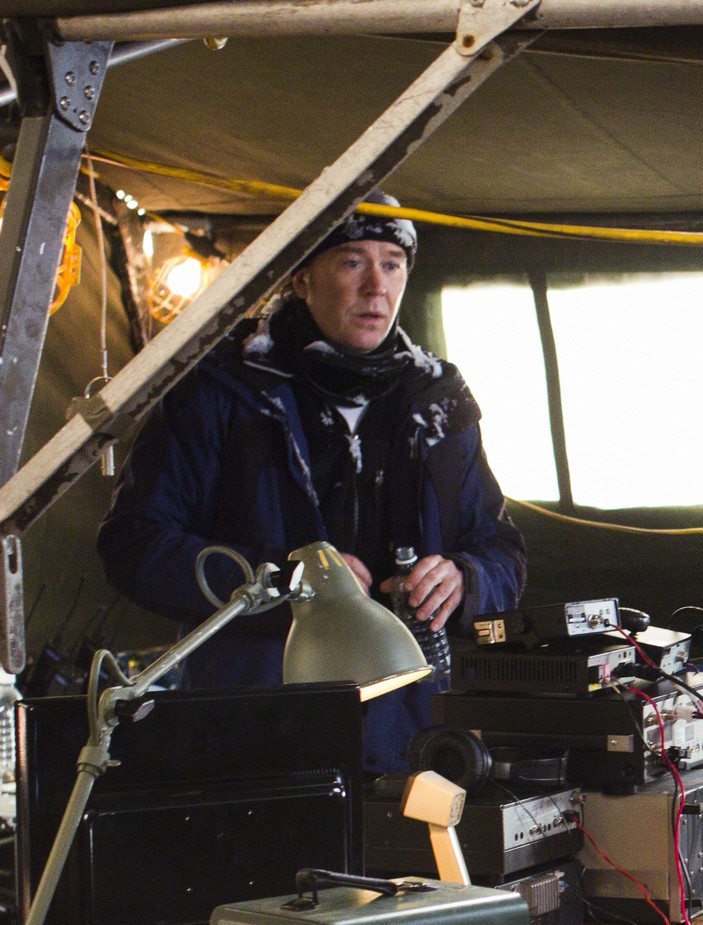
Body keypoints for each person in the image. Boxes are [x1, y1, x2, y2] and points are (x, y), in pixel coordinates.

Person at [98, 193, 525, 775]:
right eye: (352, 262)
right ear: (301, 279)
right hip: (260, 726)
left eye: (392, 264)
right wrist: (283, 583)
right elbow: (133, 545)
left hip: (410, 730)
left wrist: (465, 579)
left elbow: (501, 550)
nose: (376, 287)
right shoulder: (222, 392)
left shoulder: (438, 401)